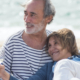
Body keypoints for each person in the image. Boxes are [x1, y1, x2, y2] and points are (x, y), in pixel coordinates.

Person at [0, 0, 55, 80]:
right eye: (25, 13)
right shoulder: (12, 42)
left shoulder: (56, 41)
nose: (26, 20)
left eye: (32, 15)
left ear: (48, 18)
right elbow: (2, 76)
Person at [0, 28, 80, 80]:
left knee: (63, 64)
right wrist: (5, 75)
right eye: (49, 45)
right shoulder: (48, 68)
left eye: (56, 43)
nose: (51, 49)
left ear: (68, 45)